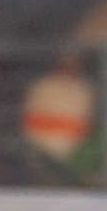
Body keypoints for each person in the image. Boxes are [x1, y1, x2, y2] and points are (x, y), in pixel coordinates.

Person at [20, 52, 95, 180]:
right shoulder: (42, 86)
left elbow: (83, 127)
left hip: (73, 153)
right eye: (64, 63)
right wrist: (62, 123)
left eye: (73, 63)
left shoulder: (83, 89)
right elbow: (30, 121)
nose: (68, 67)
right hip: (37, 150)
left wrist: (54, 122)